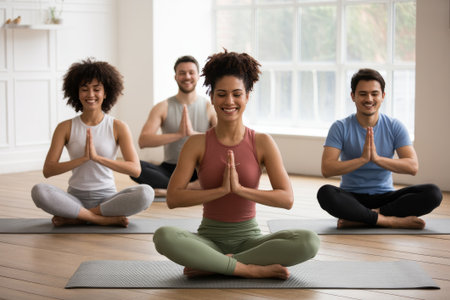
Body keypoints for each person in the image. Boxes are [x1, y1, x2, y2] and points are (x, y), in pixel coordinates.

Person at [153, 50, 320, 280]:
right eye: (221, 94)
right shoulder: (197, 143)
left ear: (247, 96)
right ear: (212, 98)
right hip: (207, 240)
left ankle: (215, 265)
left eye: (236, 94)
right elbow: (173, 198)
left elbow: (286, 199)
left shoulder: (262, 142)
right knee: (163, 236)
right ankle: (248, 269)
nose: (229, 101)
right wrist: (221, 191)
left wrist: (240, 190)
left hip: (250, 241)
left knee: (309, 241)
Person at [31, 58, 154, 227]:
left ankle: (77, 216)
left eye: (96, 89)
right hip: (74, 198)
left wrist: (97, 158)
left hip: (108, 199)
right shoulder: (65, 127)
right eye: (84, 89)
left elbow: (135, 169)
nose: (90, 95)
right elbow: (48, 170)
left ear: (105, 93)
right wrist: (82, 159)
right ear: (77, 93)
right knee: (39, 191)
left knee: (146, 193)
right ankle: (98, 219)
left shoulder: (118, 126)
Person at [317, 68, 442, 230]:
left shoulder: (394, 126)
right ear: (353, 96)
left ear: (383, 96)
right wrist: (362, 160)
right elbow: (327, 169)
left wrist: (376, 159)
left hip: (386, 198)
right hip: (352, 197)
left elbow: (412, 167)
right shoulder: (340, 127)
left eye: (374, 93)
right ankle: (390, 221)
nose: (369, 99)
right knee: (325, 193)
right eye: (362, 94)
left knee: (433, 193)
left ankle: (364, 217)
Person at [130, 55, 217, 197]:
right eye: (182, 73)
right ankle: (191, 187)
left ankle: (171, 189)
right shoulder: (162, 107)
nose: (187, 76)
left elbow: (223, 139)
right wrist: (178, 135)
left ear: (198, 76)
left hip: (200, 169)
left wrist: (192, 133)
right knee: (134, 166)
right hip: (171, 169)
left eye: (191, 72)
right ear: (175, 77)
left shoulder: (209, 107)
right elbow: (143, 141)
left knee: (223, 166)